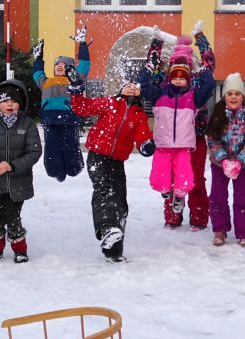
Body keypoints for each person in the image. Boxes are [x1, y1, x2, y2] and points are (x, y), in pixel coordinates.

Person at [70, 80, 155, 262]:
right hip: (97, 156)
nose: (132, 87)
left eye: (136, 86)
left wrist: (145, 144)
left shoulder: (139, 115)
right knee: (104, 190)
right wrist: (76, 91)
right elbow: (82, 108)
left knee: (120, 201)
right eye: (128, 85)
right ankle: (108, 228)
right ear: (121, 89)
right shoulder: (109, 103)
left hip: (117, 162)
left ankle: (114, 249)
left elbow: (142, 134)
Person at [140, 34, 216, 217]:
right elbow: (150, 70)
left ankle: (198, 217)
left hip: (192, 135)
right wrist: (156, 44)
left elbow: (210, 70)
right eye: (177, 61)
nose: (181, 66)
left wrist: (201, 40)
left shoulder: (196, 80)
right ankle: (172, 216)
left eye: (185, 61)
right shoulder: (163, 86)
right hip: (166, 139)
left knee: (193, 177)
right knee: (165, 173)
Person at [0, 80, 42, 264]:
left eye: (14, 101)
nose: (10, 104)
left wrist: (13, 165)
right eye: (5, 100)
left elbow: (34, 152)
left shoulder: (27, 125)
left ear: (21, 103)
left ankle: (20, 249)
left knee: (13, 216)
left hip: (19, 181)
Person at [205, 72, 245, 247]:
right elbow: (212, 139)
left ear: (242, 96)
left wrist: (239, 161)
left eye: (237, 94)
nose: (233, 97)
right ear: (224, 96)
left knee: (242, 198)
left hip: (242, 166)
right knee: (218, 197)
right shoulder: (218, 113)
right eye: (230, 94)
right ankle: (220, 229)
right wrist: (224, 161)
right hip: (220, 164)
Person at [31, 25, 90, 182]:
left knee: (70, 145)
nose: (60, 66)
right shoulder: (46, 82)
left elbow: (84, 66)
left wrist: (82, 45)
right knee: (51, 148)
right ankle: (55, 170)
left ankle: (73, 168)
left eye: (64, 65)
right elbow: (37, 73)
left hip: (68, 119)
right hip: (50, 120)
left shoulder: (73, 81)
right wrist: (38, 58)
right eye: (57, 64)